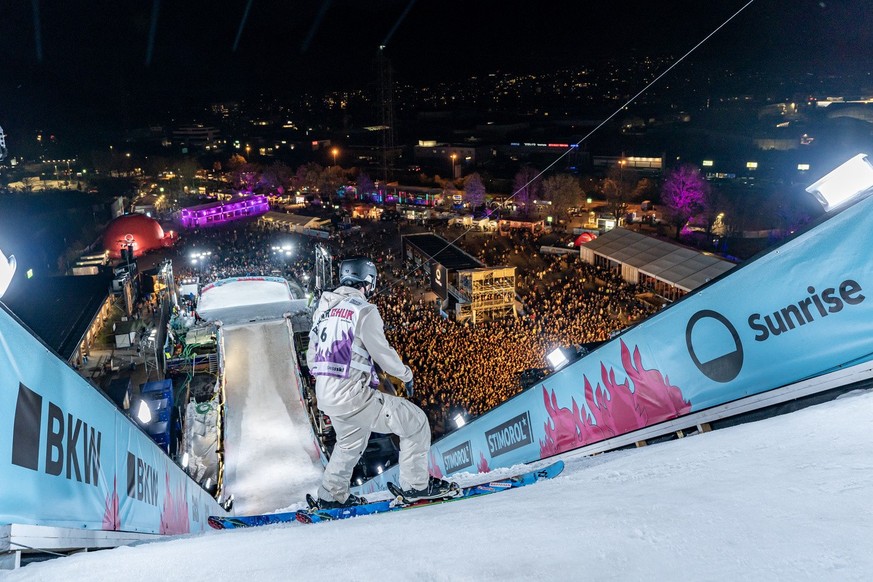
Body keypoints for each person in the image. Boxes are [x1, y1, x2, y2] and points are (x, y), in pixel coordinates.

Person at [306, 256, 457, 509]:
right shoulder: (363, 311)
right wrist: (406, 375)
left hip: (327, 395)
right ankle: (416, 486)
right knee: (416, 422)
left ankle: (331, 494)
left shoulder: (323, 311)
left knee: (350, 443)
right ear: (368, 281)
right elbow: (383, 354)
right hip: (353, 396)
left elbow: (312, 358)